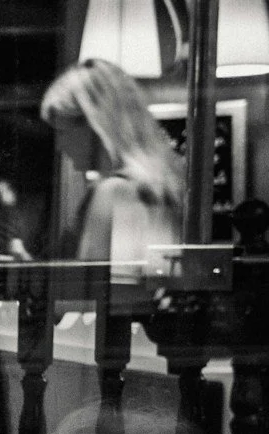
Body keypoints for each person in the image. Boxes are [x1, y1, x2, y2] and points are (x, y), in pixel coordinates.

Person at [40, 59, 183, 278]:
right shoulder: (157, 187)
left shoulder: (112, 191)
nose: (60, 146)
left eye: (63, 131)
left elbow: (92, 295)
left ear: (96, 125)